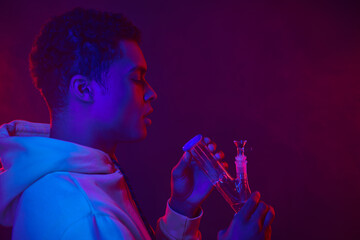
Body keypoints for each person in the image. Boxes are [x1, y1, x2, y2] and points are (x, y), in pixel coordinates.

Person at [0, 8, 275, 239]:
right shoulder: (83, 216)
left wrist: (182, 207)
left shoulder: (78, 179)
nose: (151, 92)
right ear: (84, 89)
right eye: (137, 78)